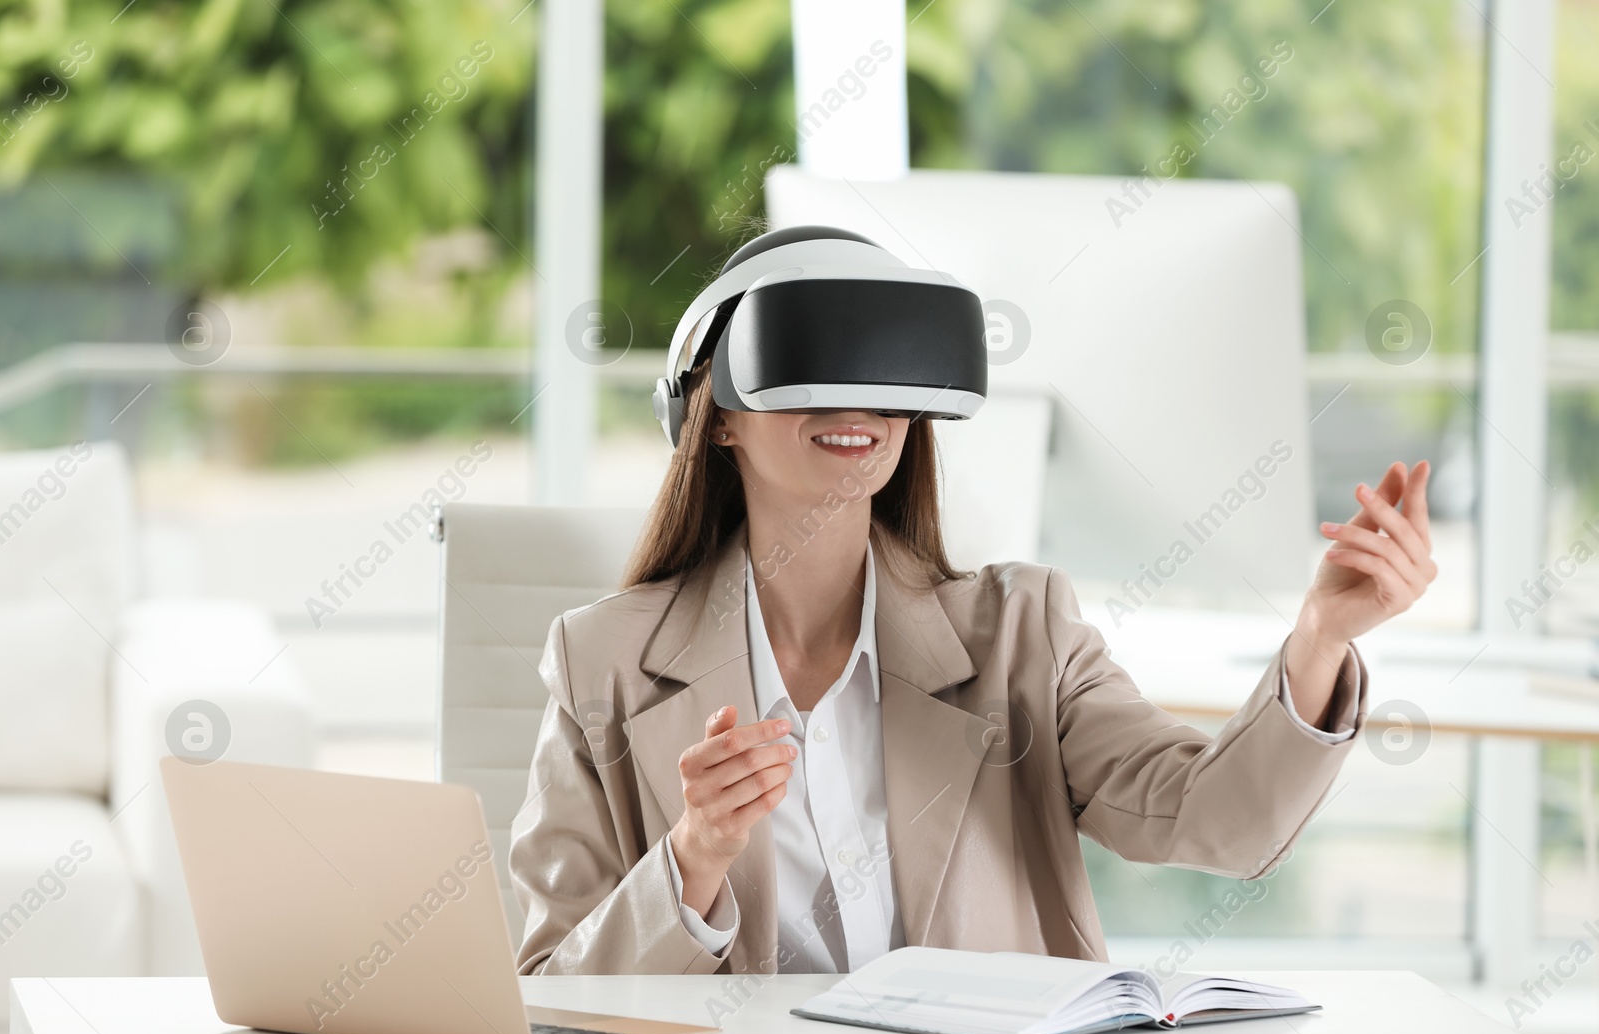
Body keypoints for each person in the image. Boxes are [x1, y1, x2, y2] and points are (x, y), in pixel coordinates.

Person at [508, 226, 1437, 977]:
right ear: (718, 417)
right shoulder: (602, 665)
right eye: (815, 364)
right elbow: (549, 993)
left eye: (884, 376)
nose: (856, 402)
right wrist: (694, 855)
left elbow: (1215, 820)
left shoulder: (1023, 635)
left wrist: (1320, 639)